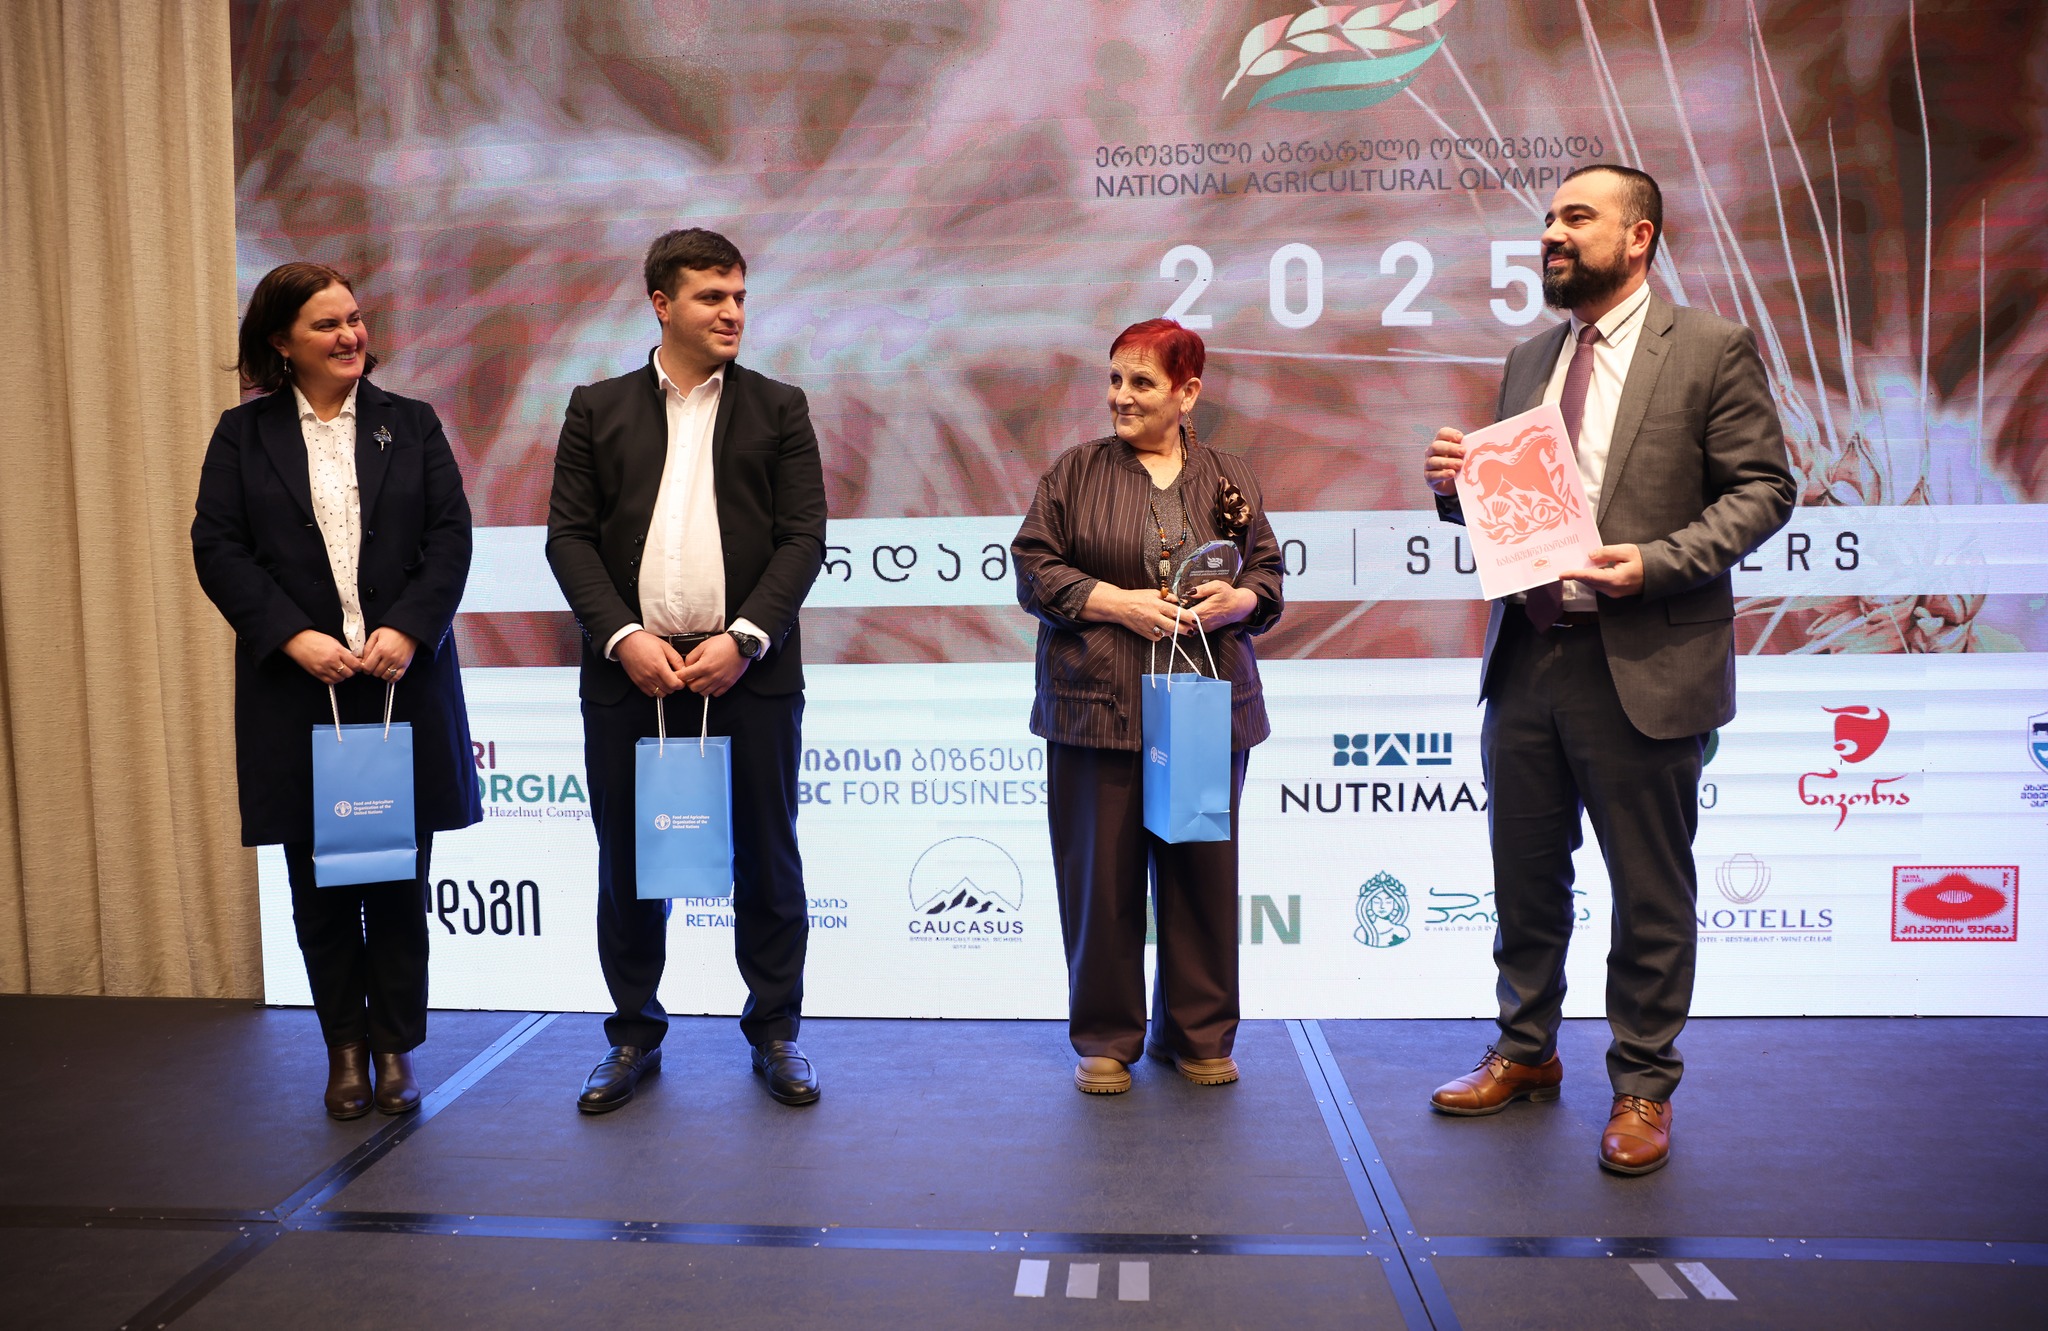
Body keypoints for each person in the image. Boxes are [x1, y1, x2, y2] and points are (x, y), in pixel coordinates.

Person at [1422, 165, 1795, 1174]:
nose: (1551, 233)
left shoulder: (1709, 347)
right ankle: (1524, 1048)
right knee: (1522, 878)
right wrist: (1455, 490)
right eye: (1547, 218)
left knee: (1649, 890)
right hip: (1527, 655)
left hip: (1645, 659)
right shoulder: (1528, 359)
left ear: (1638, 237)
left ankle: (1642, 1083)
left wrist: (1656, 562)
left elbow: (1764, 489)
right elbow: (1512, 516)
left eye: (1575, 218)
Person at [546, 228, 827, 1112]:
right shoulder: (596, 408)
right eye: (712, 296)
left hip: (749, 672)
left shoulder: (780, 407)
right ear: (662, 305)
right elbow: (568, 539)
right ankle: (632, 1034)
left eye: (739, 295)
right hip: (629, 674)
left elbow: (803, 539)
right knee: (630, 860)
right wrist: (622, 637)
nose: (733, 312)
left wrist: (744, 638)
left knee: (768, 857)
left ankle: (776, 1030)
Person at [193, 262, 482, 1120]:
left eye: (354, 318)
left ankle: (396, 1048)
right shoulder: (242, 436)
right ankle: (344, 1050)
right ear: (281, 342)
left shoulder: (411, 423)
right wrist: (293, 636)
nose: (351, 334)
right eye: (328, 324)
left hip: (399, 687)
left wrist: (408, 629)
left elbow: (450, 537)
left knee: (396, 884)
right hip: (297, 693)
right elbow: (218, 548)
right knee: (318, 890)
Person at [1012, 319, 1284, 1095]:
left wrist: (1240, 600)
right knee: (1101, 882)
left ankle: (1197, 1033)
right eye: (1114, 380)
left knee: (1200, 880)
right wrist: (1114, 602)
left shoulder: (1230, 477)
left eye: (1141, 383)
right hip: (1094, 710)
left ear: (1187, 393)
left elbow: (1268, 575)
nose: (1120, 397)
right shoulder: (1074, 473)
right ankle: (1106, 1037)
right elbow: (1033, 570)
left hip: (1201, 707)